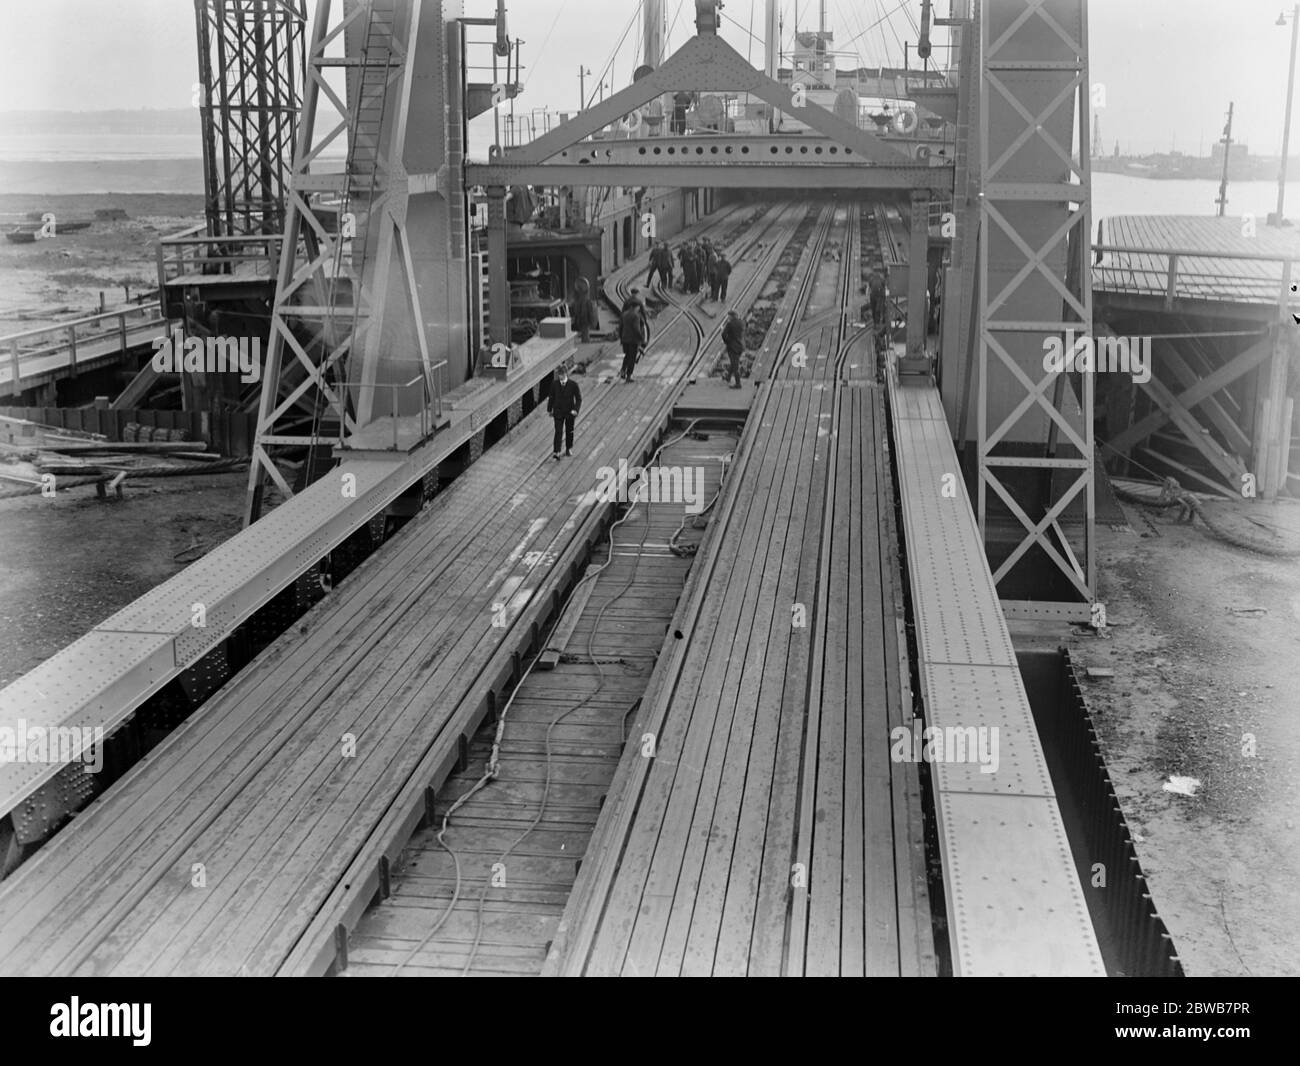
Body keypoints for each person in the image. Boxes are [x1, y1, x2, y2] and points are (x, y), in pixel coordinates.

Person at [547, 362, 582, 458]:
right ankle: (556, 451)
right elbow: (551, 397)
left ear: (566, 373)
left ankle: (568, 448)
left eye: (562, 374)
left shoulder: (573, 385)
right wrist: (549, 410)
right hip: (558, 412)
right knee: (558, 431)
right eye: (559, 374)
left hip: (569, 412)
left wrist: (576, 410)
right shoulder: (554, 384)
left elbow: (578, 398)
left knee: (569, 431)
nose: (560, 376)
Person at [619, 296, 649, 382]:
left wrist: (621, 338)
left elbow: (621, 327)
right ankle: (629, 376)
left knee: (627, 356)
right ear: (635, 307)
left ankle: (622, 370)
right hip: (633, 340)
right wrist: (641, 338)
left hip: (625, 339)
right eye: (638, 307)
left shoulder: (624, 314)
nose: (638, 309)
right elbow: (636, 329)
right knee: (632, 358)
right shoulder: (636, 316)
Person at [721, 309, 745, 388]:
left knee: (735, 365)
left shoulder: (730, 324)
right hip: (740, 346)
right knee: (734, 362)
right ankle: (728, 377)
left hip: (732, 347)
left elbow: (724, 334)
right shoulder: (741, 323)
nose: (728, 318)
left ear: (731, 316)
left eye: (729, 316)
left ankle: (738, 384)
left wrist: (727, 342)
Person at [570, 276, 598, 343]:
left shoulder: (585, 302)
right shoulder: (584, 302)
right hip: (584, 320)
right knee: (585, 330)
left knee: (585, 330)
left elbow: (579, 311)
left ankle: (585, 340)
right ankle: (585, 340)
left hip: (584, 320)